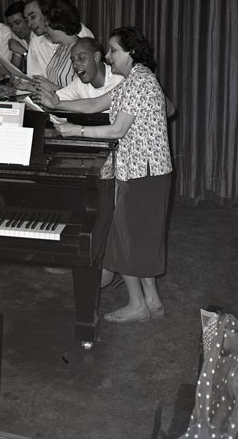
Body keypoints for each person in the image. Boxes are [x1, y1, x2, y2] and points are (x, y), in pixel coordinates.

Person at [34, 27, 172, 324]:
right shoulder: (135, 79)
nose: (108, 57)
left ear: (131, 53)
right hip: (144, 172)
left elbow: (117, 130)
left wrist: (77, 130)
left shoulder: (138, 82)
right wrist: (57, 104)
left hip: (142, 173)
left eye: (113, 50)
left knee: (124, 236)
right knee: (138, 237)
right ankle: (152, 301)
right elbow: (96, 103)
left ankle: (138, 305)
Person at [19, 37, 123, 103]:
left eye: (81, 58)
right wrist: (26, 87)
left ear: (96, 57)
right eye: (73, 60)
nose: (75, 65)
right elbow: (57, 98)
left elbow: (93, 106)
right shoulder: (79, 84)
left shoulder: (121, 80)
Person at [24, 0, 93, 77]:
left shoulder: (80, 33)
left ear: (46, 14)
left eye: (33, 17)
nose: (29, 24)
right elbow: (34, 76)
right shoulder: (35, 42)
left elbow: (92, 71)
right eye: (26, 20)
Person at [4, 1, 31, 72]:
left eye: (17, 23)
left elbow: (42, 67)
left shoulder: (40, 37)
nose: (14, 28)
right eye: (11, 25)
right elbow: (14, 69)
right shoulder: (19, 38)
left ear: (27, 20)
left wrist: (22, 51)